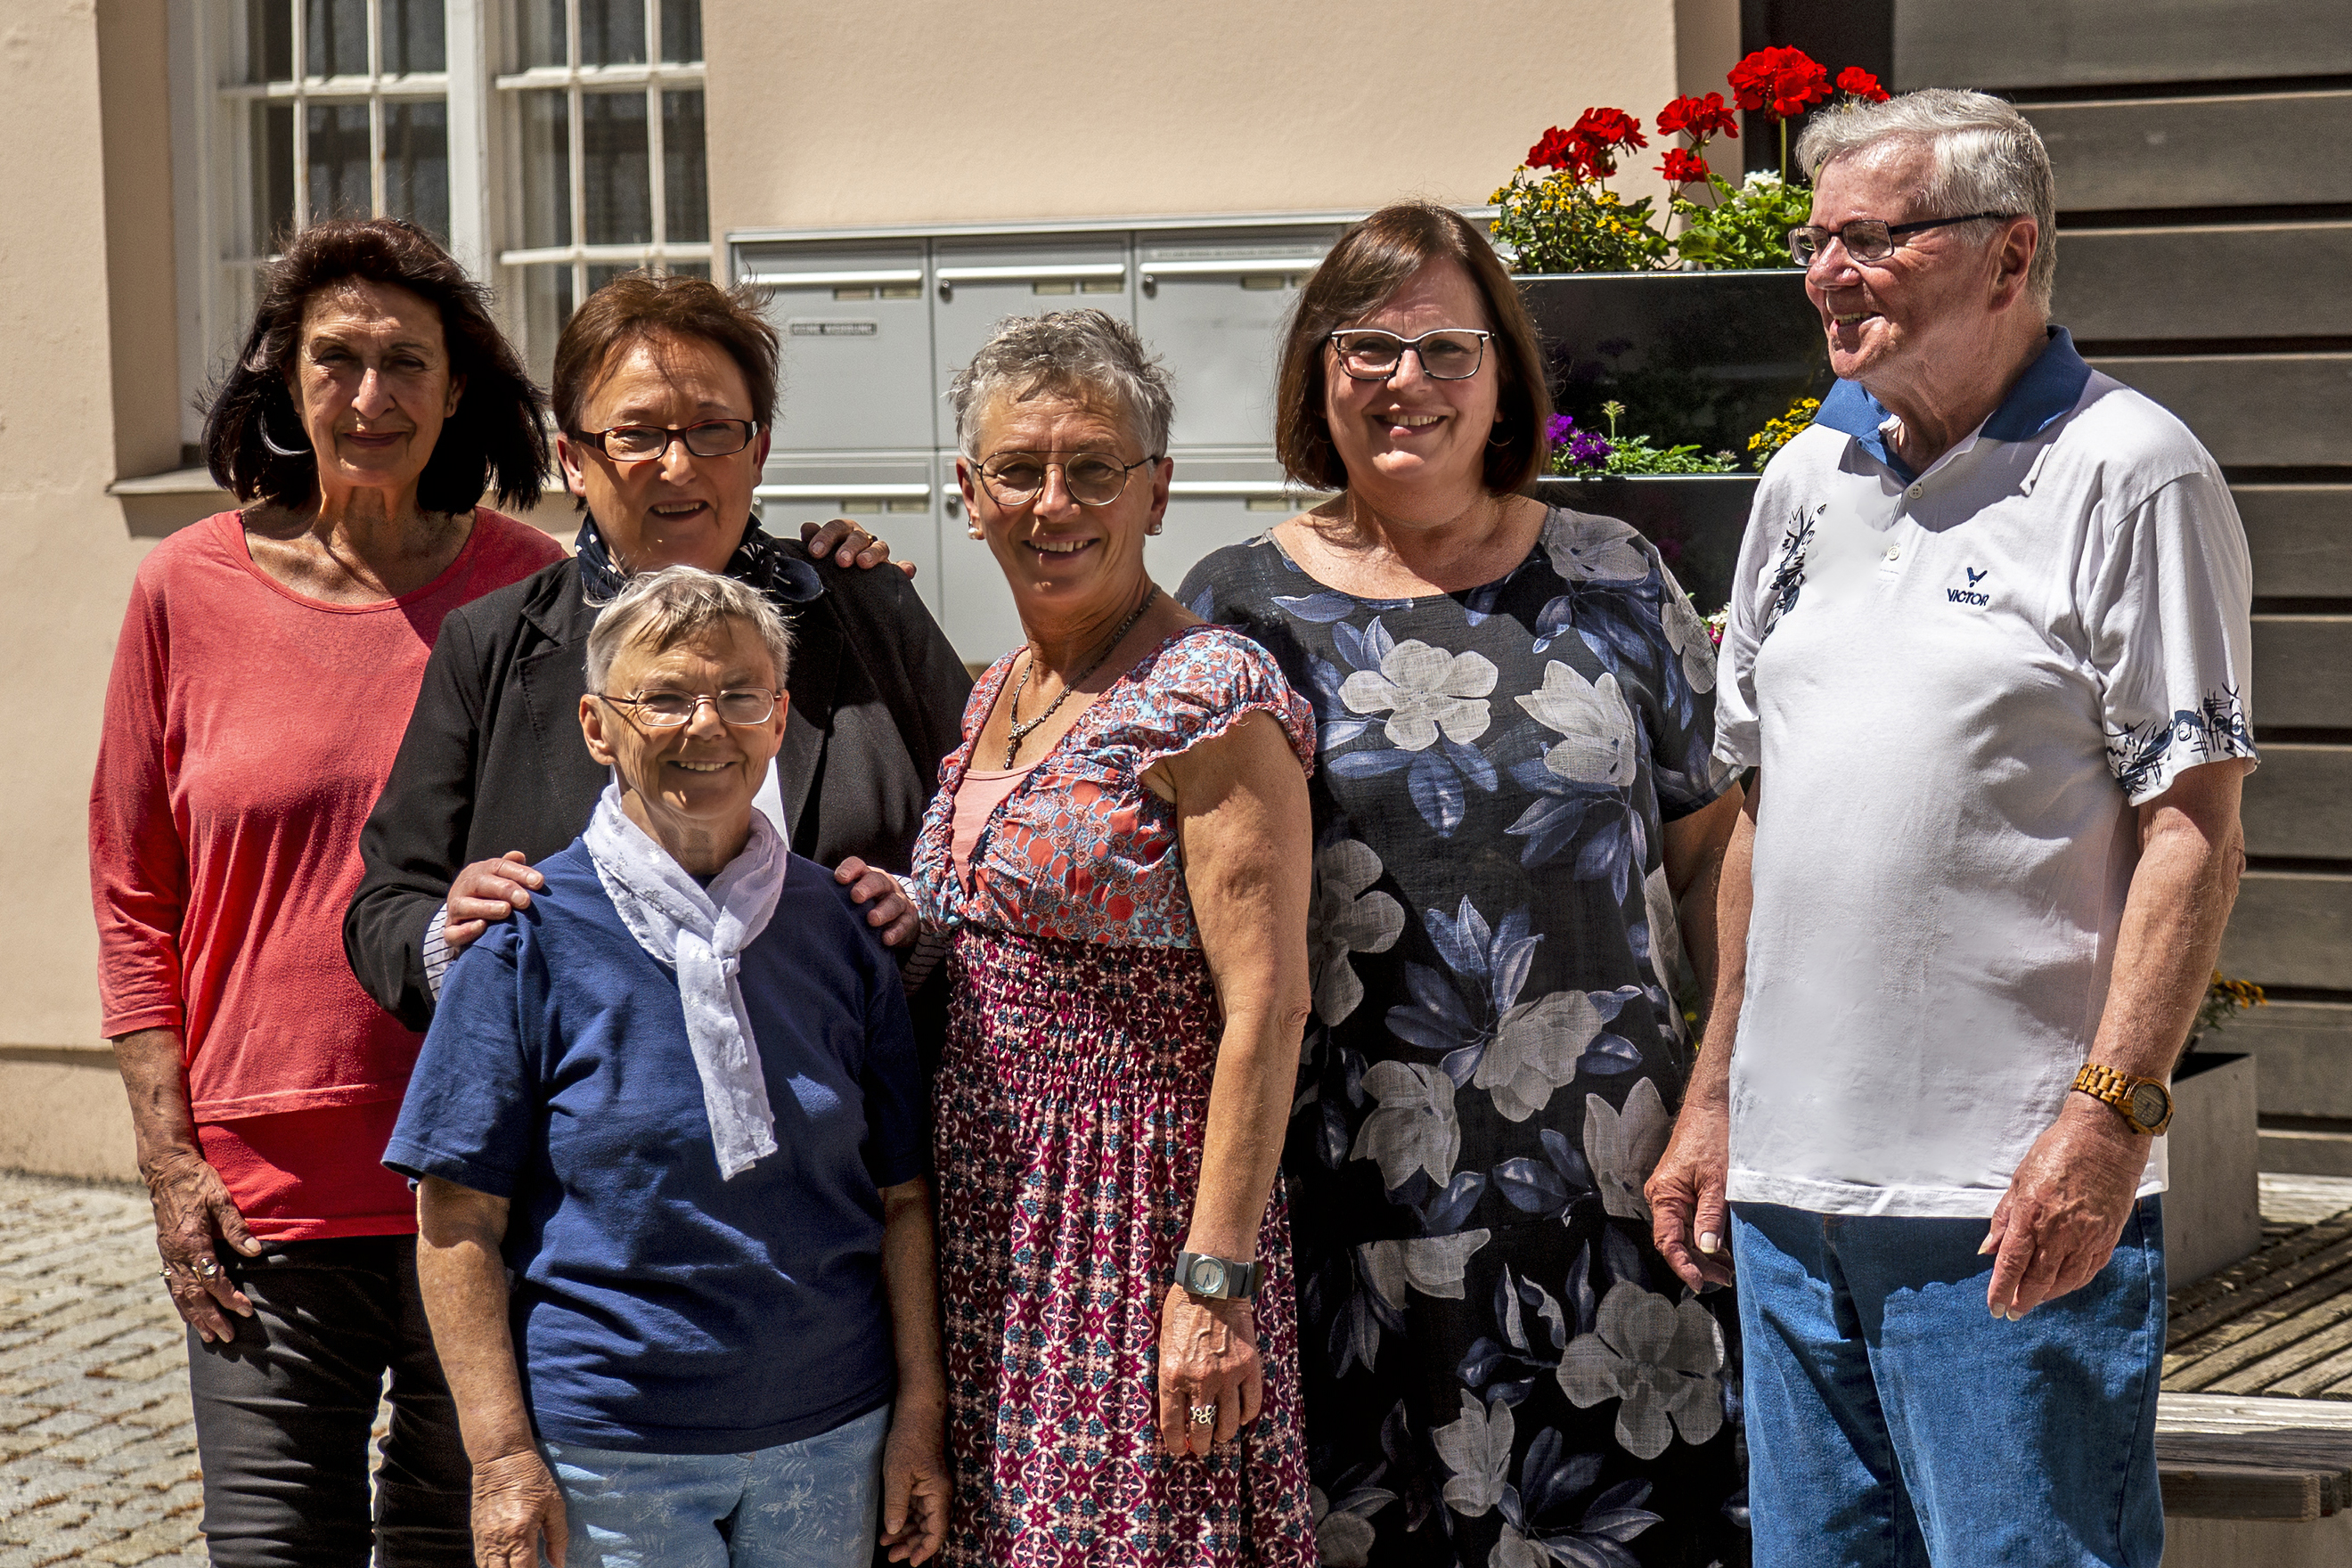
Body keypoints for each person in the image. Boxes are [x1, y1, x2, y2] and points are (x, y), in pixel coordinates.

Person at [1645, 90, 2257, 1568]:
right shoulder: (1804, 479)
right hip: (1790, 1211)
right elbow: (1764, 815)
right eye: (1816, 239)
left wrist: (2110, 1121)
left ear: (2007, 255)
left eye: (1872, 238)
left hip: (2003, 1208)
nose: (1825, 274)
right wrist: (1717, 1095)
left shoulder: (2131, 473)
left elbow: (2191, 829)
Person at [1179, 202, 1749, 1567]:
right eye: (1366, 346)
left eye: (1445, 346)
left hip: (1614, 1199)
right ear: (1319, 375)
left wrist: (1722, 1097)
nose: (1406, 381)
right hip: (1350, 1203)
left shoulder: (1616, 577)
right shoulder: (1238, 608)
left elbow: (1722, 855)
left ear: (1503, 377)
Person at [87, 217, 570, 1564]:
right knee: (269, 1544)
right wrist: (171, 1160)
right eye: (337, 359)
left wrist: (830, 571)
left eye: (405, 361)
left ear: (456, 385)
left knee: (449, 1536)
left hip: (484, 1170)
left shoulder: (531, 590)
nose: (371, 397)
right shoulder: (183, 588)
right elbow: (134, 891)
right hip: (267, 1189)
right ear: (287, 382)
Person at [388, 567, 945, 1568]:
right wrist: (504, 1454)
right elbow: (456, 1216)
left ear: (778, 719)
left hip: (831, 1437)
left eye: (739, 695)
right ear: (599, 727)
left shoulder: (840, 927)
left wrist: (918, 1416)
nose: (707, 725)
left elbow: (903, 1196)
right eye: (666, 697)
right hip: (611, 1453)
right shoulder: (525, 937)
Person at [898, 309, 1318, 1564]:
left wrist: (1215, 1282)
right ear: (970, 496)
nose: (1054, 502)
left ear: (1158, 490)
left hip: (1137, 1230)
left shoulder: (1208, 694)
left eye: (1094, 468)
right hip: (991, 1222)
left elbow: (1268, 1005)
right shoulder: (993, 692)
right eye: (1017, 471)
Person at [344, 271, 967, 1033]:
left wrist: (923, 923)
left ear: (759, 449)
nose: (679, 465)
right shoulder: (492, 644)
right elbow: (385, 910)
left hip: (851, 1132)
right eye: (636, 435)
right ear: (573, 459)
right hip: (586, 1135)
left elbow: (984, 844)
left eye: (712, 429)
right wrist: (450, 935)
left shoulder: (867, 608)